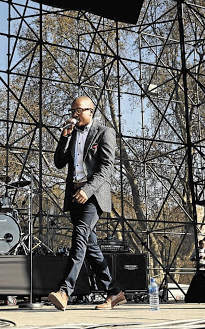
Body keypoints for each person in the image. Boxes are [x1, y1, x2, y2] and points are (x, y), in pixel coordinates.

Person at [48, 96, 125, 311]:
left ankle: (65, 291)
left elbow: (106, 169)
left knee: (80, 236)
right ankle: (114, 292)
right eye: (72, 110)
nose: (74, 114)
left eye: (78, 110)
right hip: (74, 196)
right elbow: (58, 163)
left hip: (93, 195)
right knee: (91, 247)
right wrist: (64, 138)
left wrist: (87, 190)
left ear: (91, 111)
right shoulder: (71, 134)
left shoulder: (104, 132)